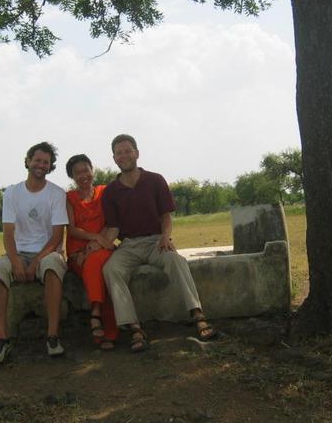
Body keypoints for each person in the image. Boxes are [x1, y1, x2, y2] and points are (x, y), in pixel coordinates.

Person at [102, 134, 218, 352]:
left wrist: (166, 236)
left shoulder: (155, 180)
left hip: (156, 240)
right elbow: (114, 228)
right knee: (111, 269)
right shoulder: (111, 192)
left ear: (137, 153)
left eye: (128, 150)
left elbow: (166, 215)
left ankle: (197, 315)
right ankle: (134, 327)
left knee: (176, 261)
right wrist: (98, 244)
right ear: (114, 158)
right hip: (128, 245)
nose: (124, 155)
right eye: (119, 153)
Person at [0, 142, 69, 364]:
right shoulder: (12, 193)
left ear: (50, 166)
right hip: (19, 251)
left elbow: (56, 237)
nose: (41, 165)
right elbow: (8, 234)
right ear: (28, 161)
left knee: (52, 267)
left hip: (47, 252)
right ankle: (2, 339)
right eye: (37, 160)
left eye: (46, 162)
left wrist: (35, 263)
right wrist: (15, 261)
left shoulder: (56, 194)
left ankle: (52, 336)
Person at [65, 154, 119, 350]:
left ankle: (95, 313)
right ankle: (109, 331)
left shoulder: (104, 192)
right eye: (77, 172)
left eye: (86, 170)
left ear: (92, 170)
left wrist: (98, 242)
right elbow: (71, 229)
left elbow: (111, 222)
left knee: (98, 266)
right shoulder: (69, 198)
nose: (83, 175)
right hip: (78, 252)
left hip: (102, 247)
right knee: (93, 267)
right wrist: (93, 239)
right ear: (72, 176)